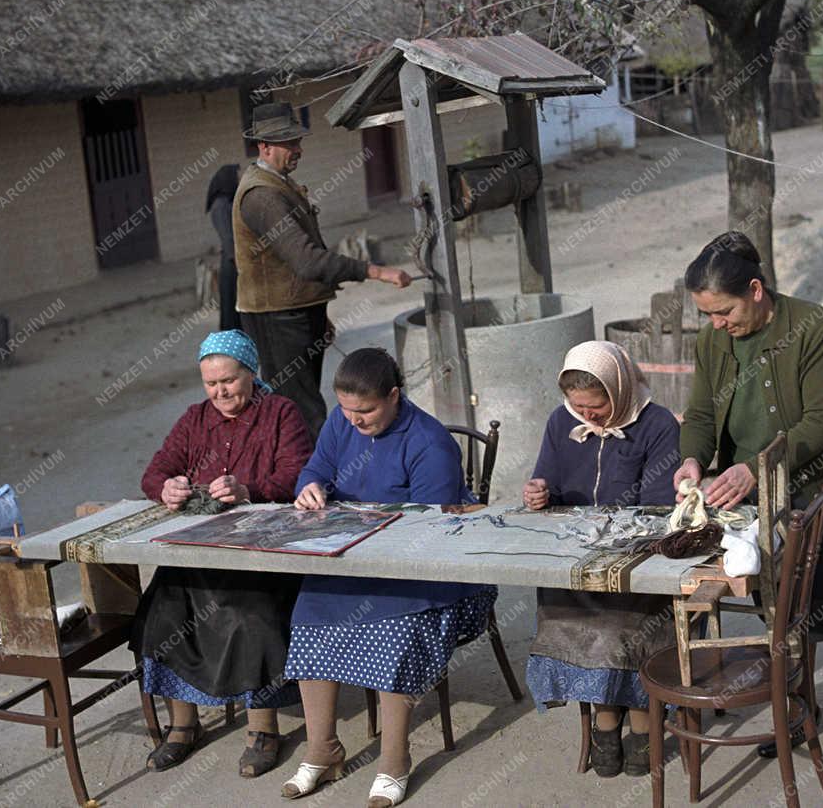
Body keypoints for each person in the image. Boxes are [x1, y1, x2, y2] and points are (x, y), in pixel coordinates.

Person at [674, 230, 823, 777]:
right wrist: (692, 461)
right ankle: (798, 711)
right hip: (762, 497)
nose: (716, 325)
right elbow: (702, 415)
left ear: (756, 290)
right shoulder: (712, 342)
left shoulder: (813, 327)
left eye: (723, 312)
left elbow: (821, 423)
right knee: (784, 614)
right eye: (706, 315)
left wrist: (751, 469)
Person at [280, 348, 496, 807]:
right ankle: (323, 749)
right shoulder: (342, 422)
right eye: (346, 409)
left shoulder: (430, 442)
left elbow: (428, 530)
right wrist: (310, 487)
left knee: (394, 630)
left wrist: (364, 532)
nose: (354, 421)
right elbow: (316, 468)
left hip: (425, 570)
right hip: (353, 561)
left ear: (395, 396)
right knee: (309, 614)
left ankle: (395, 758)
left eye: (367, 411)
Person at [130, 330, 313, 778]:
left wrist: (250, 490)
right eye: (211, 385)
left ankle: (263, 729)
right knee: (162, 609)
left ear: (251, 373)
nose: (221, 392)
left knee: (249, 617)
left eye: (229, 381)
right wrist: (166, 488)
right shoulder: (194, 420)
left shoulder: (280, 413)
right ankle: (182, 726)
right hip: (202, 554)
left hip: (264, 558)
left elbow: (296, 475)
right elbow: (155, 472)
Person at [522, 340, 681, 778]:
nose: (587, 416)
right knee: (572, 616)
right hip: (576, 560)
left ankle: (644, 722)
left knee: (623, 625)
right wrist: (539, 493)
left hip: (637, 563)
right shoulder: (561, 422)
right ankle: (605, 720)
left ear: (621, 388)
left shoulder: (657, 425)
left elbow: (657, 510)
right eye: (579, 407)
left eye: (597, 407)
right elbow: (548, 484)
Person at [233, 102, 413, 437]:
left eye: (297, 141)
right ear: (264, 146)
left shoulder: (279, 184)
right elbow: (307, 260)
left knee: (304, 402)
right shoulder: (263, 196)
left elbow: (295, 266)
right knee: (301, 410)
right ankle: (311, 485)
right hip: (278, 317)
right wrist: (375, 271)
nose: (297, 149)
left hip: (297, 311)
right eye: (289, 144)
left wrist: (319, 313)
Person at [206, 163, 242, 331]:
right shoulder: (220, 206)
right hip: (232, 262)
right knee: (232, 309)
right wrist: (239, 263)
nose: (239, 180)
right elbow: (228, 238)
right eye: (236, 177)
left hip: (234, 259)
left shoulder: (228, 202)